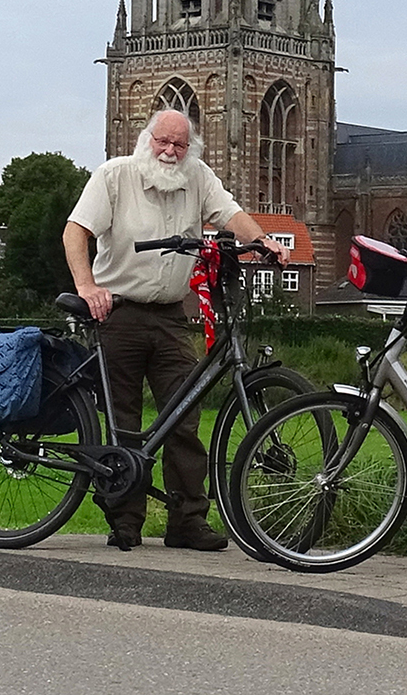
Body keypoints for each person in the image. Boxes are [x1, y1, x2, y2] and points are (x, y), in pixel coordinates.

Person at [63, 108, 285, 551]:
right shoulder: (115, 176)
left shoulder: (197, 177)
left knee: (184, 414)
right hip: (118, 313)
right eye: (162, 142)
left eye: (179, 145)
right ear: (147, 140)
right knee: (123, 419)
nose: (169, 151)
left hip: (168, 315)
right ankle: (125, 520)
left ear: (190, 148)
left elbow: (231, 214)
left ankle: (186, 521)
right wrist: (87, 287)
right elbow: (76, 231)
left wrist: (262, 240)